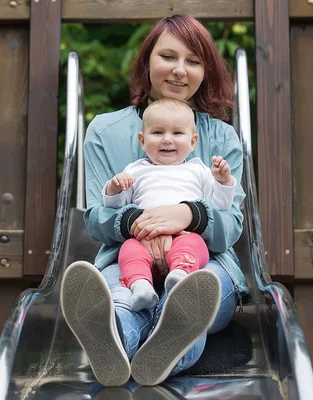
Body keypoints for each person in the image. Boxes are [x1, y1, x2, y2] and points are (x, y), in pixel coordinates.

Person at [60, 14, 249, 388]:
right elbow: (96, 218)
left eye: (193, 61)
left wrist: (189, 215)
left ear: (204, 71)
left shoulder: (221, 138)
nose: (180, 71)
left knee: (195, 296)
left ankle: (160, 347)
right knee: (121, 298)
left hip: (206, 262)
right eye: (168, 57)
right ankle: (118, 340)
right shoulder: (106, 130)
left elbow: (231, 227)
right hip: (129, 254)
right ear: (147, 61)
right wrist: (139, 223)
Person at [103, 98, 236, 312]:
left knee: (196, 244)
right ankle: (141, 286)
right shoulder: (135, 170)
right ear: (142, 140)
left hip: (183, 238)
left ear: (193, 142)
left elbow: (219, 205)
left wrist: (223, 181)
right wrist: (114, 188)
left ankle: (180, 276)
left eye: (177, 133)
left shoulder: (198, 171)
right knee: (127, 250)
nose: (167, 140)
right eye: (157, 133)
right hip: (144, 241)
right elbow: (117, 206)